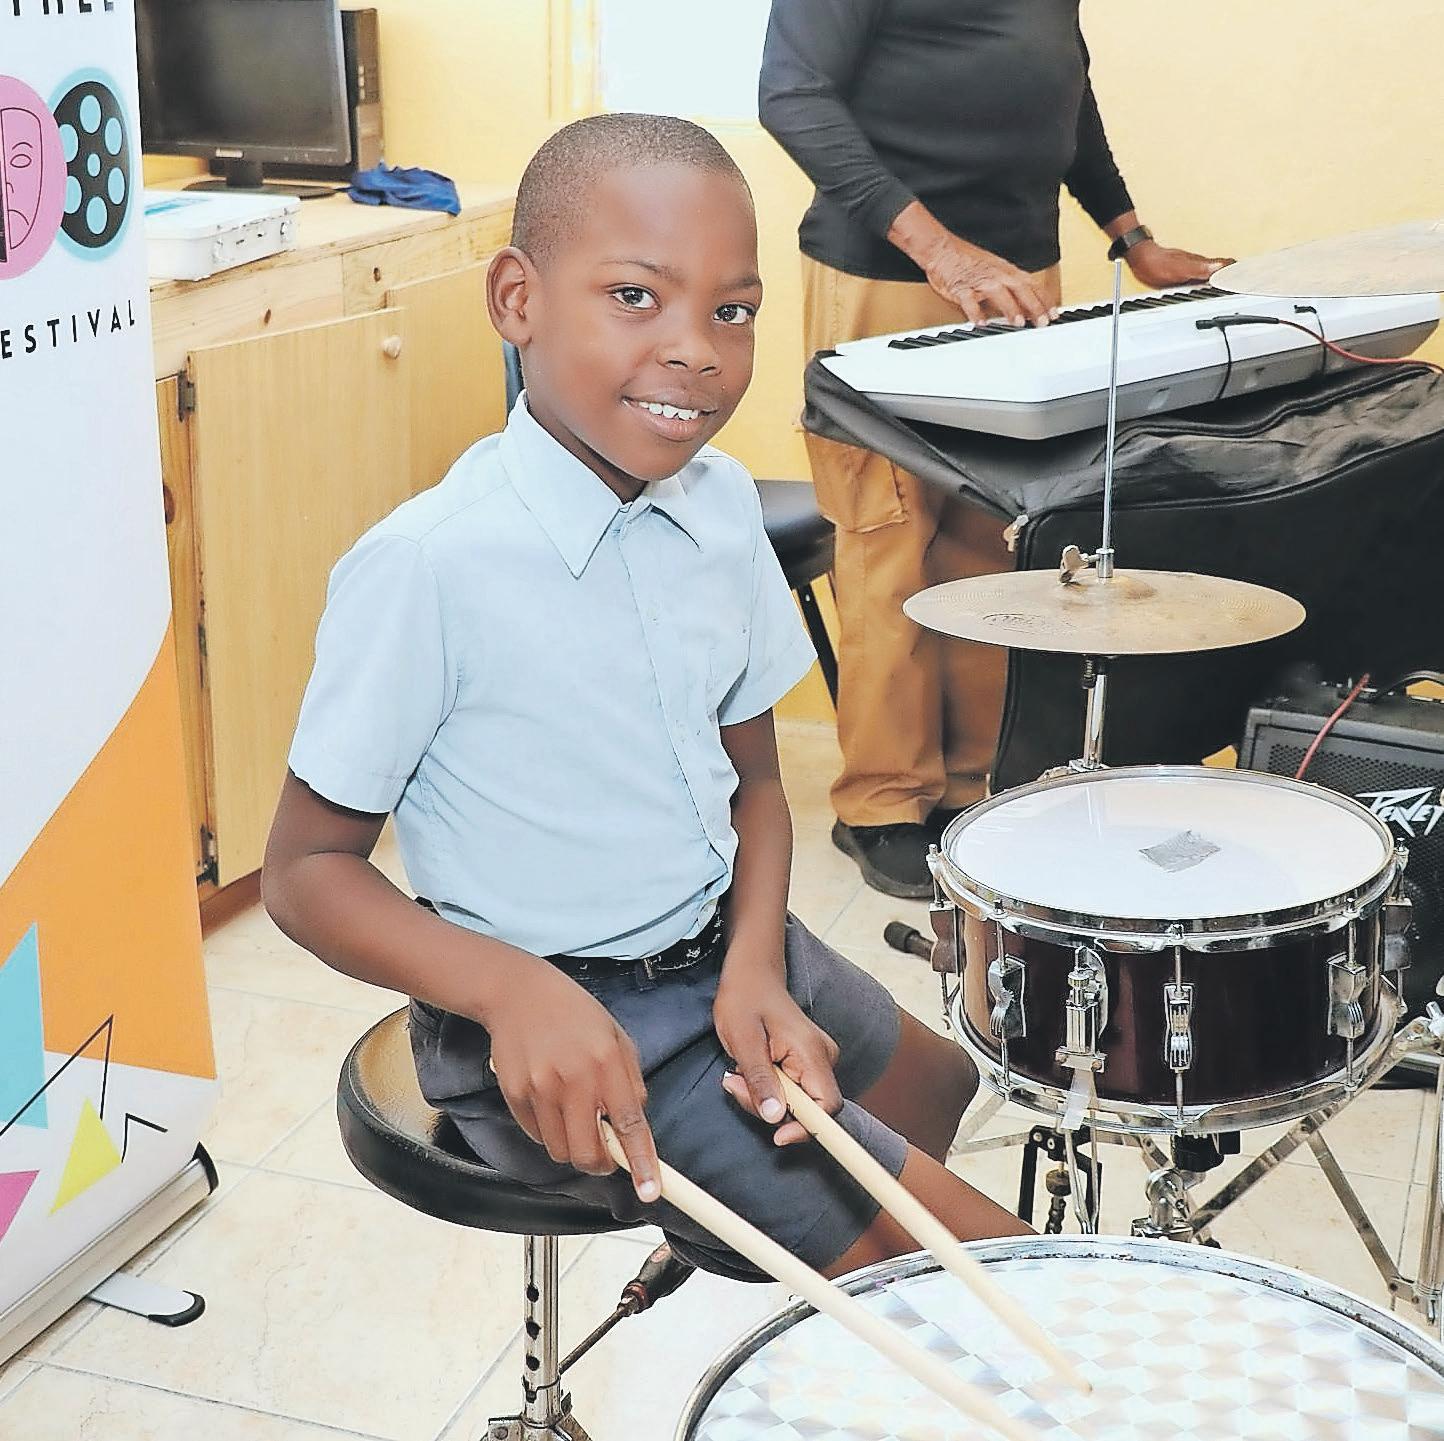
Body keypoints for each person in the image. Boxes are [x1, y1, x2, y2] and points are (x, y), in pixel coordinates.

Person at [262, 113, 1027, 1285]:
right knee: (981, 1274)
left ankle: (804, 1254)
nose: (697, 350)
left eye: (733, 311)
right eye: (635, 296)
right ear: (516, 299)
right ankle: (824, 1252)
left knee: (939, 1081)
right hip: (538, 1012)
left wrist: (757, 966)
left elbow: (757, 786)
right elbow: (305, 872)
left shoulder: (720, 510)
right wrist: (513, 990)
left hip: (723, 947)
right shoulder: (428, 566)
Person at [760, 0, 1232, 897]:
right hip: (889, 272)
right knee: (889, 538)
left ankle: (973, 787)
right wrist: (943, 253)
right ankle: (881, 805)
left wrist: (1131, 238)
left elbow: (1067, 94)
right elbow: (792, 96)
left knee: (996, 541)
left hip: (1020, 281)